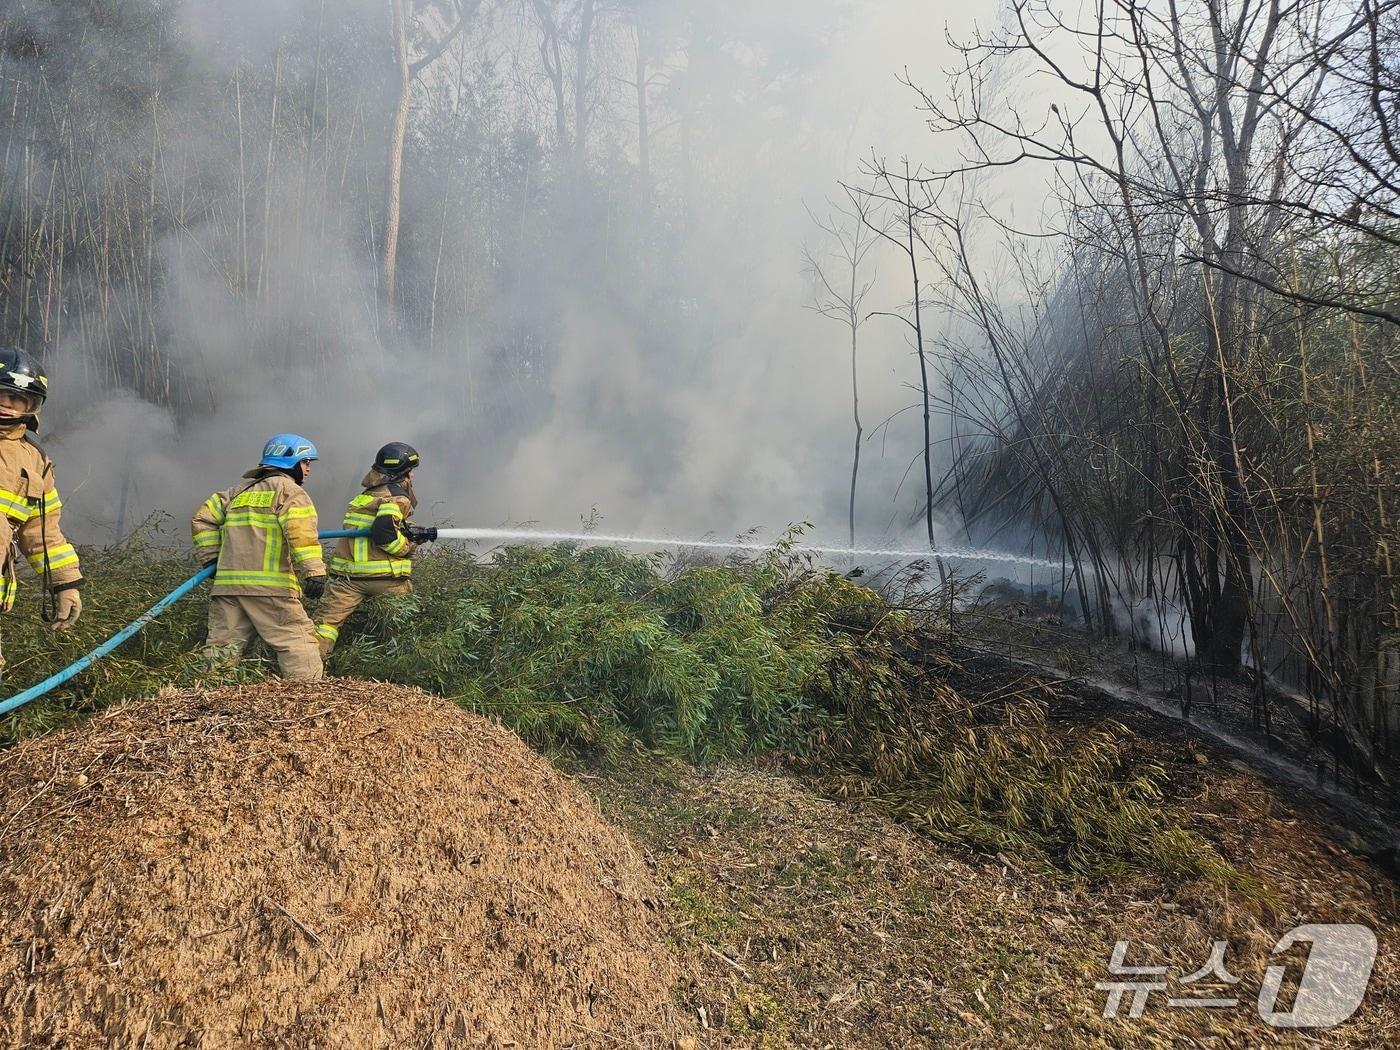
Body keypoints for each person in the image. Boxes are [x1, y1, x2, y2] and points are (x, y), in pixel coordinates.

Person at [191, 434, 327, 681]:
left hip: (228, 588)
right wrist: (314, 571)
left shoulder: (235, 493)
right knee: (297, 642)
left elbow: (202, 519)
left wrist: (212, 560)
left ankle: (207, 703)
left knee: (221, 650)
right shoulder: (289, 491)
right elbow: (301, 534)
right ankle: (309, 699)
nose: (308, 469)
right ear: (291, 462)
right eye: (306, 462)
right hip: (271, 588)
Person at [0, 347, 83, 673]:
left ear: (32, 406)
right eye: (2, 394)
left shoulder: (36, 462)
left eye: (18, 399)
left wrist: (66, 584)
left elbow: (42, 531)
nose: (7, 405)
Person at [314, 442, 436, 655]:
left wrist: (410, 530)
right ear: (401, 474)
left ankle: (308, 670)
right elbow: (384, 533)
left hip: (349, 579)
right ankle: (399, 669)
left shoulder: (365, 496)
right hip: (386, 579)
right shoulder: (397, 497)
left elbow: (377, 526)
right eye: (410, 472)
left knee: (326, 625)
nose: (412, 477)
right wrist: (407, 546)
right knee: (404, 625)